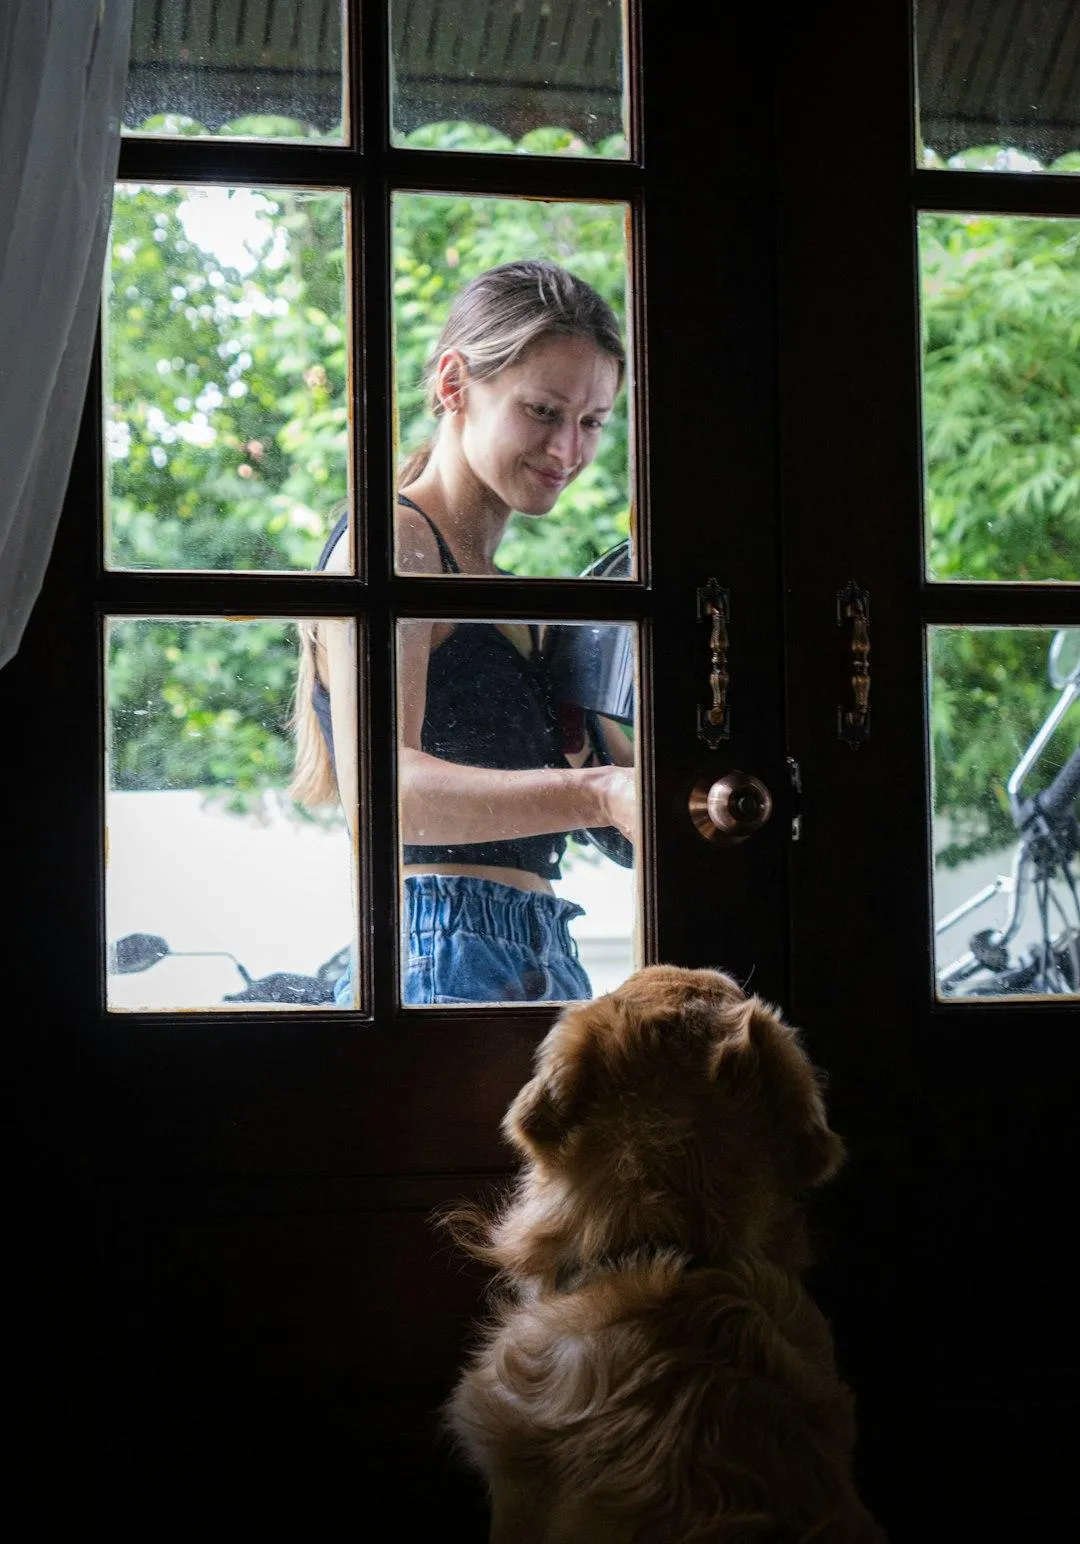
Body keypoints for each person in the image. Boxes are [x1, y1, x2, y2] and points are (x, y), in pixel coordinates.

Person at [291, 259, 636, 1005]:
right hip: (441, 948)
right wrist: (604, 793)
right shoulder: (398, 541)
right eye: (542, 412)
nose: (568, 452)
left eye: (592, 423)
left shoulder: (511, 596)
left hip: (535, 942)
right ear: (454, 385)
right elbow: (387, 792)